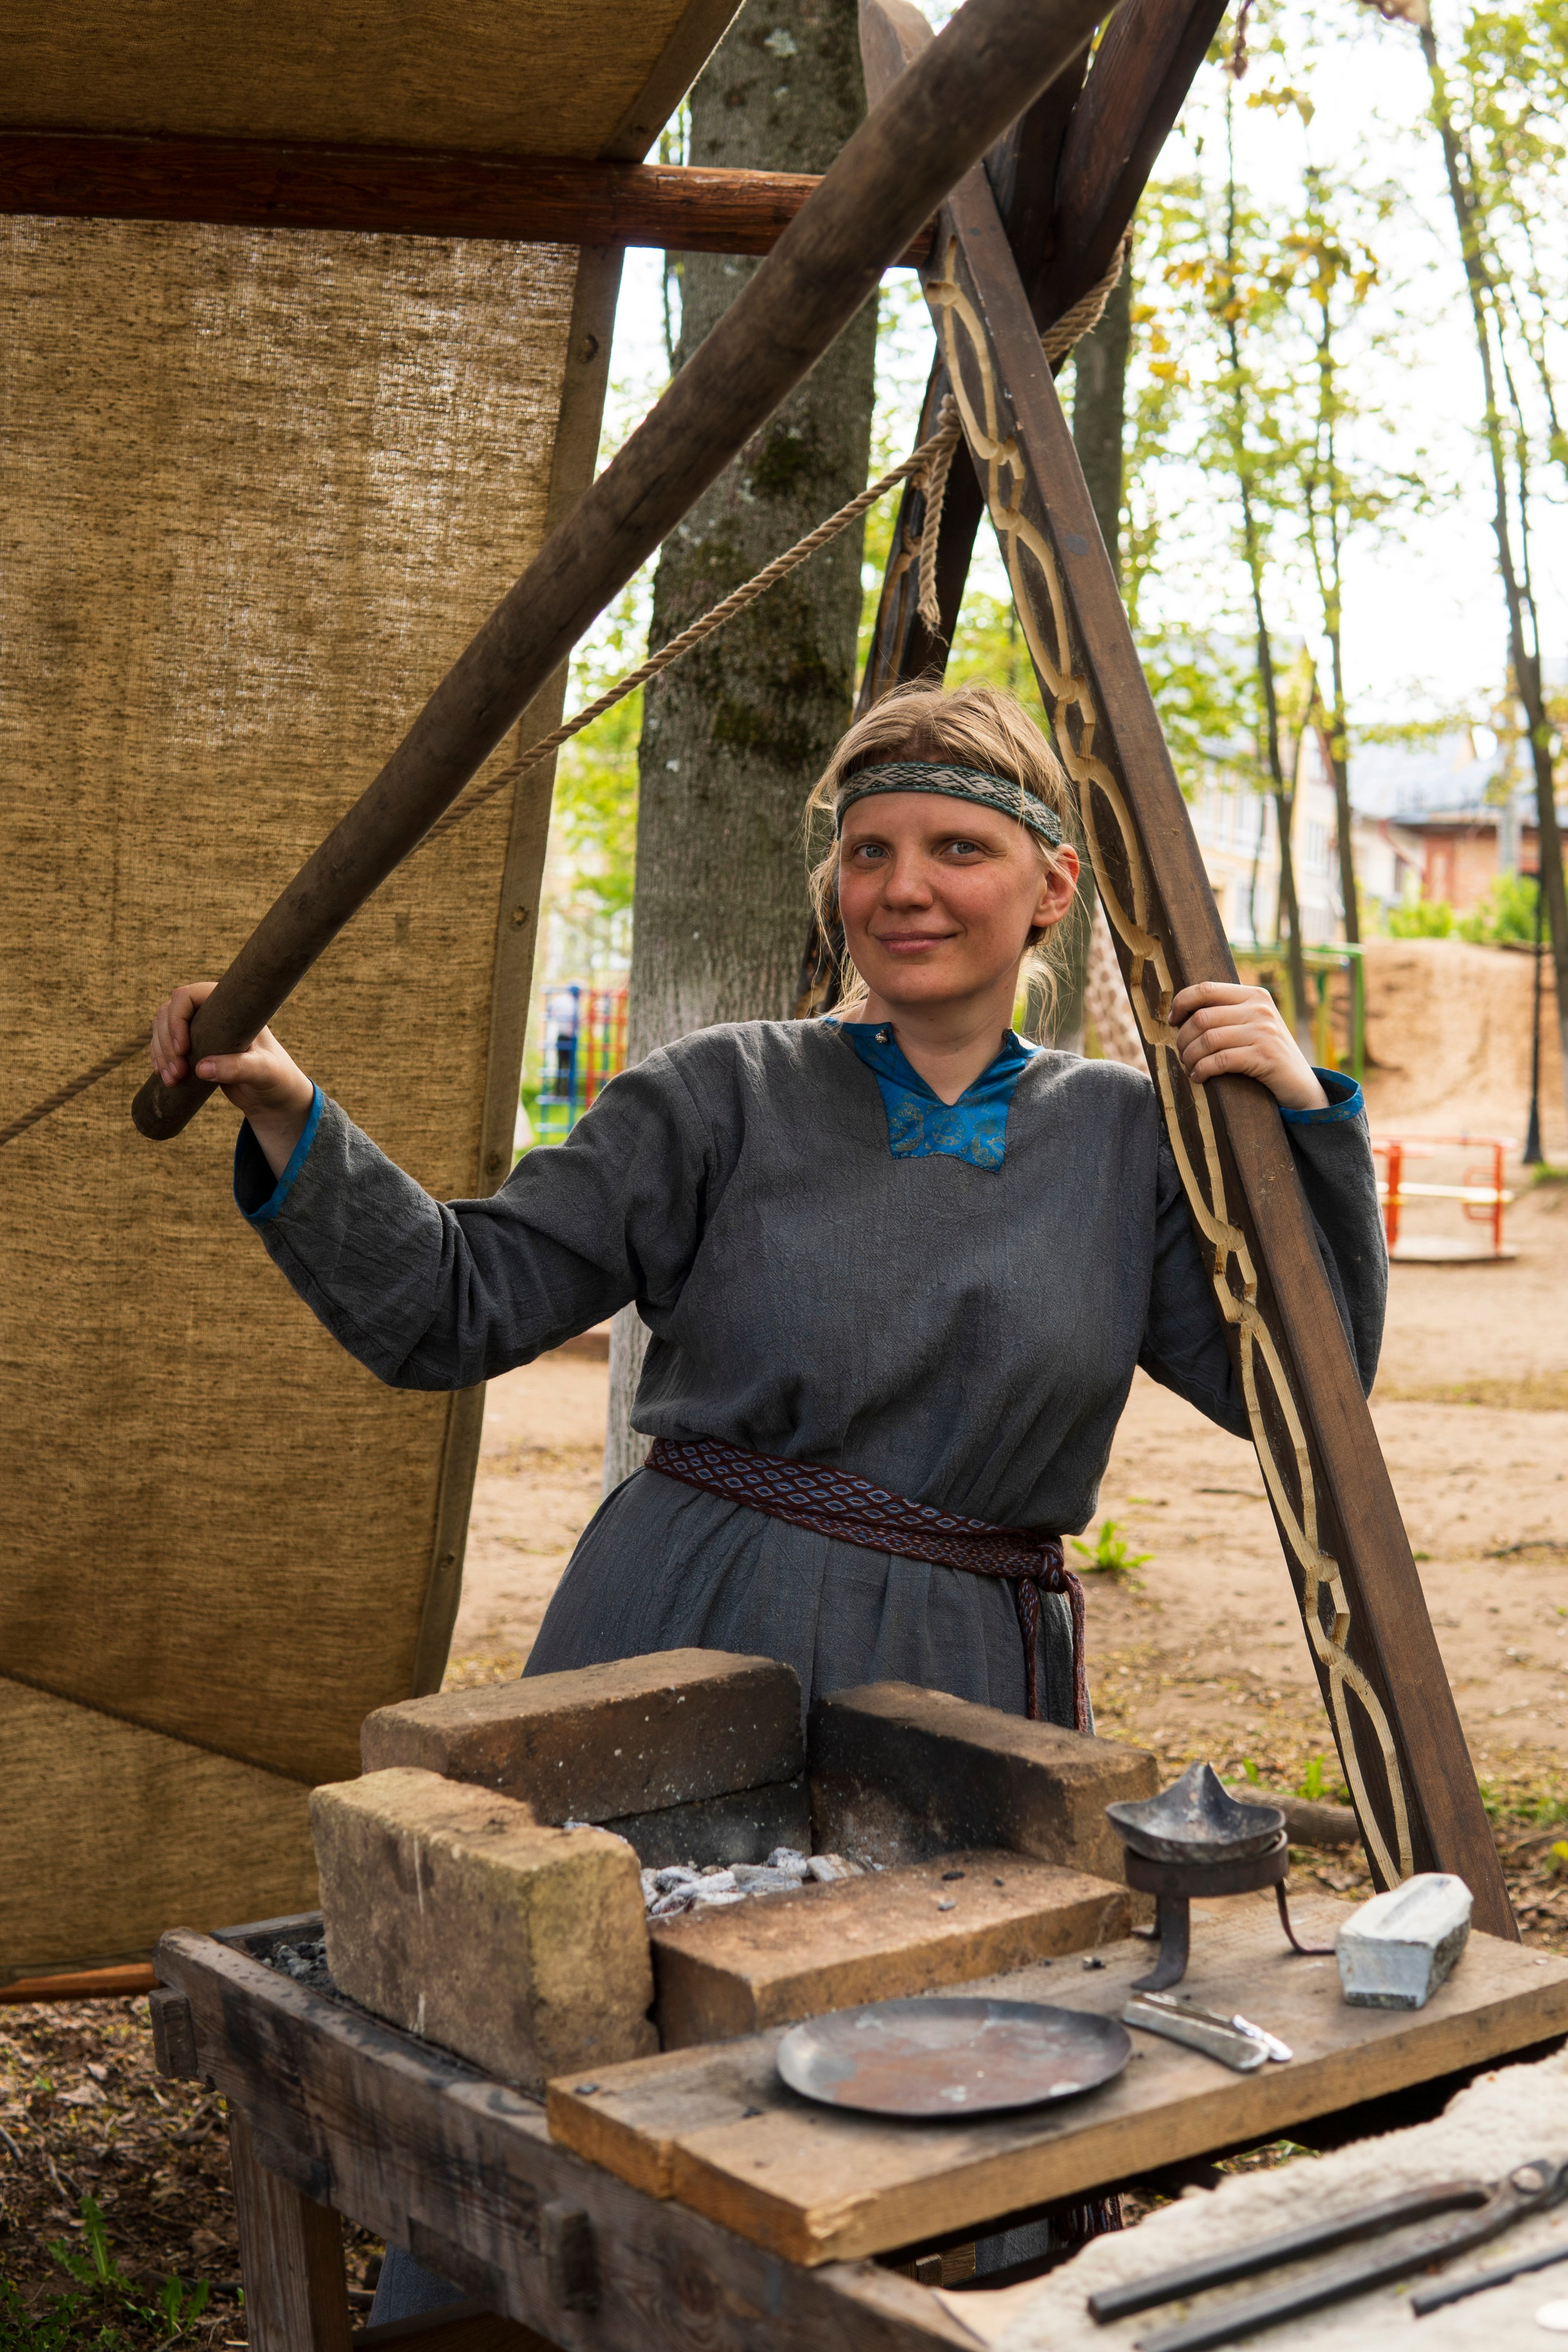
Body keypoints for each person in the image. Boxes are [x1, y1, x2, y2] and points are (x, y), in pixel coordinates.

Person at [149, 681, 1384, 2303]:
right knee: (593, 2056)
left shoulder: (1129, 1141)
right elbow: (455, 1306)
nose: (906, 888)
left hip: (956, 1690)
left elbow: (1306, 1400)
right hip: (676, 1640)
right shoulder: (718, 1094)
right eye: (869, 851)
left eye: (957, 845)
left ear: (1052, 886)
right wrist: (288, 1105)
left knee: (918, 2094)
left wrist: (1304, 1123)